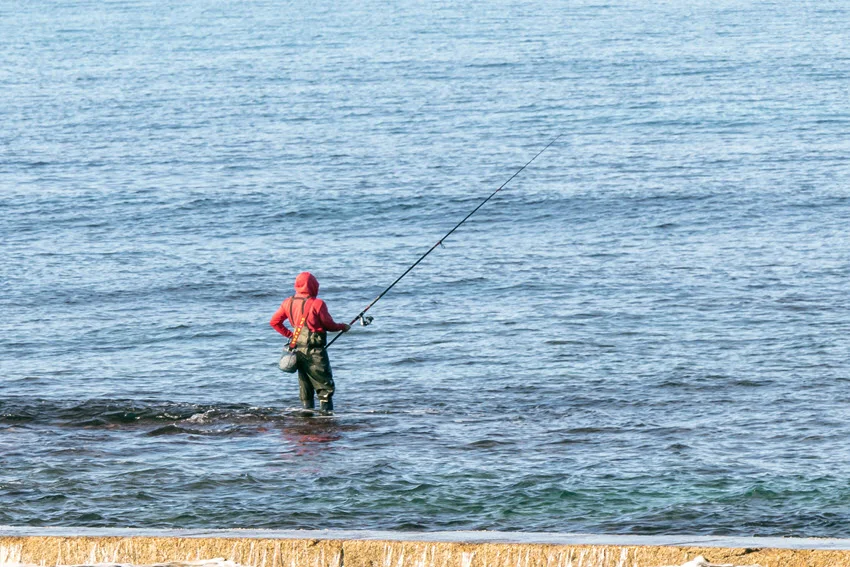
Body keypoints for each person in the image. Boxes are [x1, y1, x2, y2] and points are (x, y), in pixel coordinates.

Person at [270, 272, 350, 414]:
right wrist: (342, 327)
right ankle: (326, 418)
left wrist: (291, 335)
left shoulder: (287, 302)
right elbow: (329, 325)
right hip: (315, 352)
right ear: (313, 285)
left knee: (305, 385)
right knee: (325, 387)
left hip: (297, 350)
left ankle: (307, 420)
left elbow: (275, 322)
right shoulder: (318, 304)